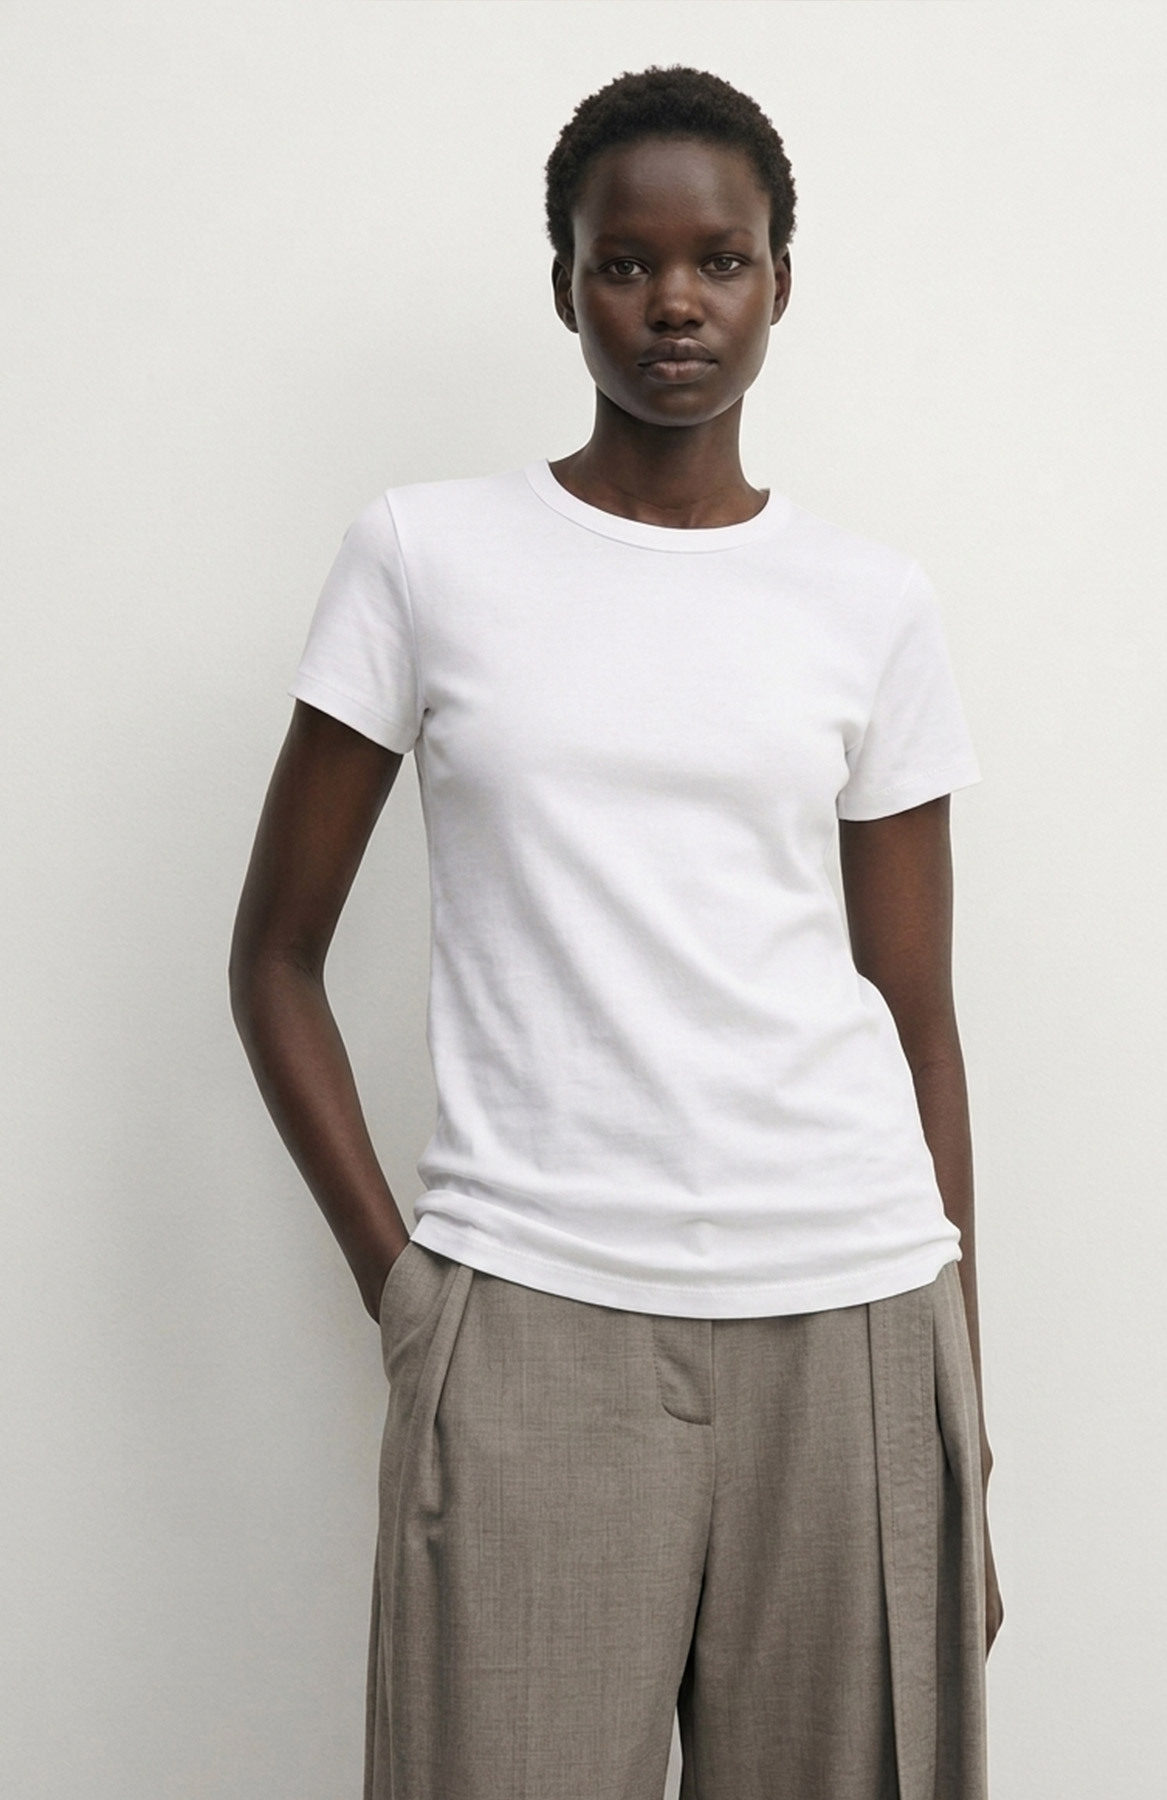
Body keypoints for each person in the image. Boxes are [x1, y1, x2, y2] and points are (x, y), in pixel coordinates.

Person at [229, 63, 1002, 1800]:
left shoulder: (870, 602)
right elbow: (272, 959)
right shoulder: (424, 558)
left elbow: (917, 1017)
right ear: (565, 283)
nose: (674, 304)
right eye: (625, 262)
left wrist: (968, 1413)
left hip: (858, 1313)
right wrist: (408, 1298)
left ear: (780, 279)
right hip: (533, 1312)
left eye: (719, 261)